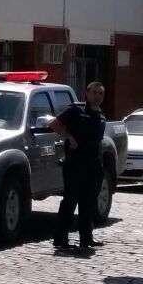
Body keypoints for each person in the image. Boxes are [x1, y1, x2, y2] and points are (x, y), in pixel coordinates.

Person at [50, 81, 108, 253]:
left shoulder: (101, 115)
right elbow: (54, 124)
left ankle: (86, 238)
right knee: (70, 201)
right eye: (94, 92)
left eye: (100, 93)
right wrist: (69, 137)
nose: (97, 96)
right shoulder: (76, 110)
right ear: (87, 93)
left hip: (94, 165)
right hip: (75, 163)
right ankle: (61, 239)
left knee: (89, 202)